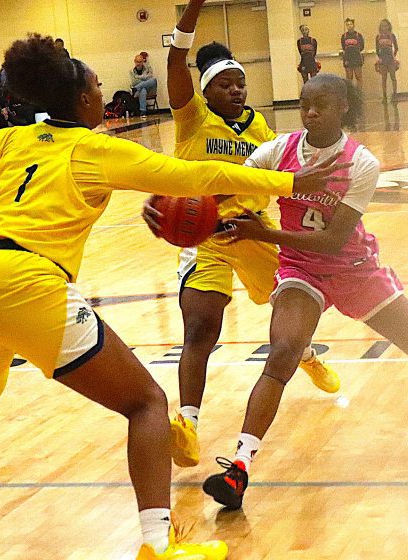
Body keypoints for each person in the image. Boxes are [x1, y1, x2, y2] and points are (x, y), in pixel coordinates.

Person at [0, 34, 347, 560]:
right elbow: (193, 174)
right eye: (99, 86)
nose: (104, 92)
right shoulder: (97, 149)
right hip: (27, 280)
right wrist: (290, 183)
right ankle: (158, 544)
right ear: (84, 99)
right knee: (147, 404)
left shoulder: (12, 140)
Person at [202, 74, 408, 510]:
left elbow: (333, 241)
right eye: (305, 104)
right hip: (302, 271)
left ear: (343, 108)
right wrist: (189, 205)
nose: (310, 112)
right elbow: (228, 184)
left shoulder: (361, 163)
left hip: (355, 270)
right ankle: (240, 467)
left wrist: (263, 234)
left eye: (321, 104)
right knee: (282, 353)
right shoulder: (278, 150)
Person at [141, 0, 342, 472]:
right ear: (205, 91)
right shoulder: (192, 118)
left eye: (240, 83)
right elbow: (175, 60)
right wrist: (194, 6)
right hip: (204, 238)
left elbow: (281, 174)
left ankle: (305, 354)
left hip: (253, 233)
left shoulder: (261, 128)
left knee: (291, 315)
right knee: (200, 328)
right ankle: (187, 425)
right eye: (225, 84)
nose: (235, 89)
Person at [375, 19, 398, 102]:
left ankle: (395, 95)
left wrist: (393, 57)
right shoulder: (378, 37)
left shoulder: (392, 36)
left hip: (390, 59)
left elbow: (396, 48)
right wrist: (380, 58)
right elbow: (377, 49)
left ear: (388, 26)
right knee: (384, 78)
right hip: (383, 59)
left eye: (385, 25)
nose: (384, 27)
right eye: (382, 26)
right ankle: (384, 96)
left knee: (393, 77)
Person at [130, 53, 157, 119]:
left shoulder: (148, 68)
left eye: (140, 62)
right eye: (137, 61)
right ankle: (143, 111)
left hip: (149, 89)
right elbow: (134, 82)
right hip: (138, 92)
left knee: (154, 80)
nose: (138, 63)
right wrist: (145, 79)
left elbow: (150, 78)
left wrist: (138, 77)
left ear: (143, 62)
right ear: (134, 61)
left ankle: (136, 88)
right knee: (143, 90)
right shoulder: (131, 71)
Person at [340, 18, 364, 88]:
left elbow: (362, 46)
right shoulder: (344, 36)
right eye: (347, 24)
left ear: (353, 25)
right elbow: (343, 47)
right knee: (349, 78)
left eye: (351, 24)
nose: (349, 26)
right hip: (347, 58)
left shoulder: (358, 35)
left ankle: (359, 93)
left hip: (357, 57)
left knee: (358, 76)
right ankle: (351, 93)